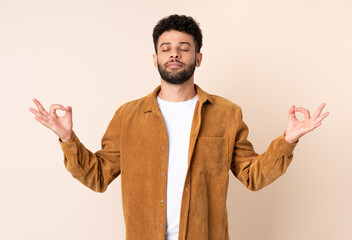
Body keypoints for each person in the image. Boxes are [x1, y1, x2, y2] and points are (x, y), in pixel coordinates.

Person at [29, 14, 329, 240]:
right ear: (155, 58)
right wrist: (67, 138)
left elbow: (253, 176)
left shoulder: (226, 114)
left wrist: (288, 140)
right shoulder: (128, 116)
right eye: (166, 48)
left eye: (184, 48)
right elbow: (98, 176)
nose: (174, 54)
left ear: (198, 58)